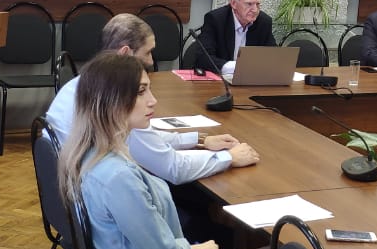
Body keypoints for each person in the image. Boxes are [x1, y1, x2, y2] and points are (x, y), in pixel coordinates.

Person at [57, 53, 264, 249]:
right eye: (141, 92)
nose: (152, 100)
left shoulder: (85, 152)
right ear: (112, 101)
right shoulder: (119, 176)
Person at [46, 14, 258, 183]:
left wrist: (199, 140)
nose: (150, 61)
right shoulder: (119, 102)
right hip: (98, 198)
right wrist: (230, 157)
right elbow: (174, 168)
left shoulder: (82, 83)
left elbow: (146, 140)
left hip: (73, 192)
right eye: (147, 53)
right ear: (125, 53)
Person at [197, 0, 275, 74]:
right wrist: (235, 67)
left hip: (250, 79)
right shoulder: (216, 19)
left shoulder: (263, 22)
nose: (255, 10)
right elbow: (203, 58)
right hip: (219, 79)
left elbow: (273, 57)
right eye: (249, 4)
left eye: (257, 4)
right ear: (234, 4)